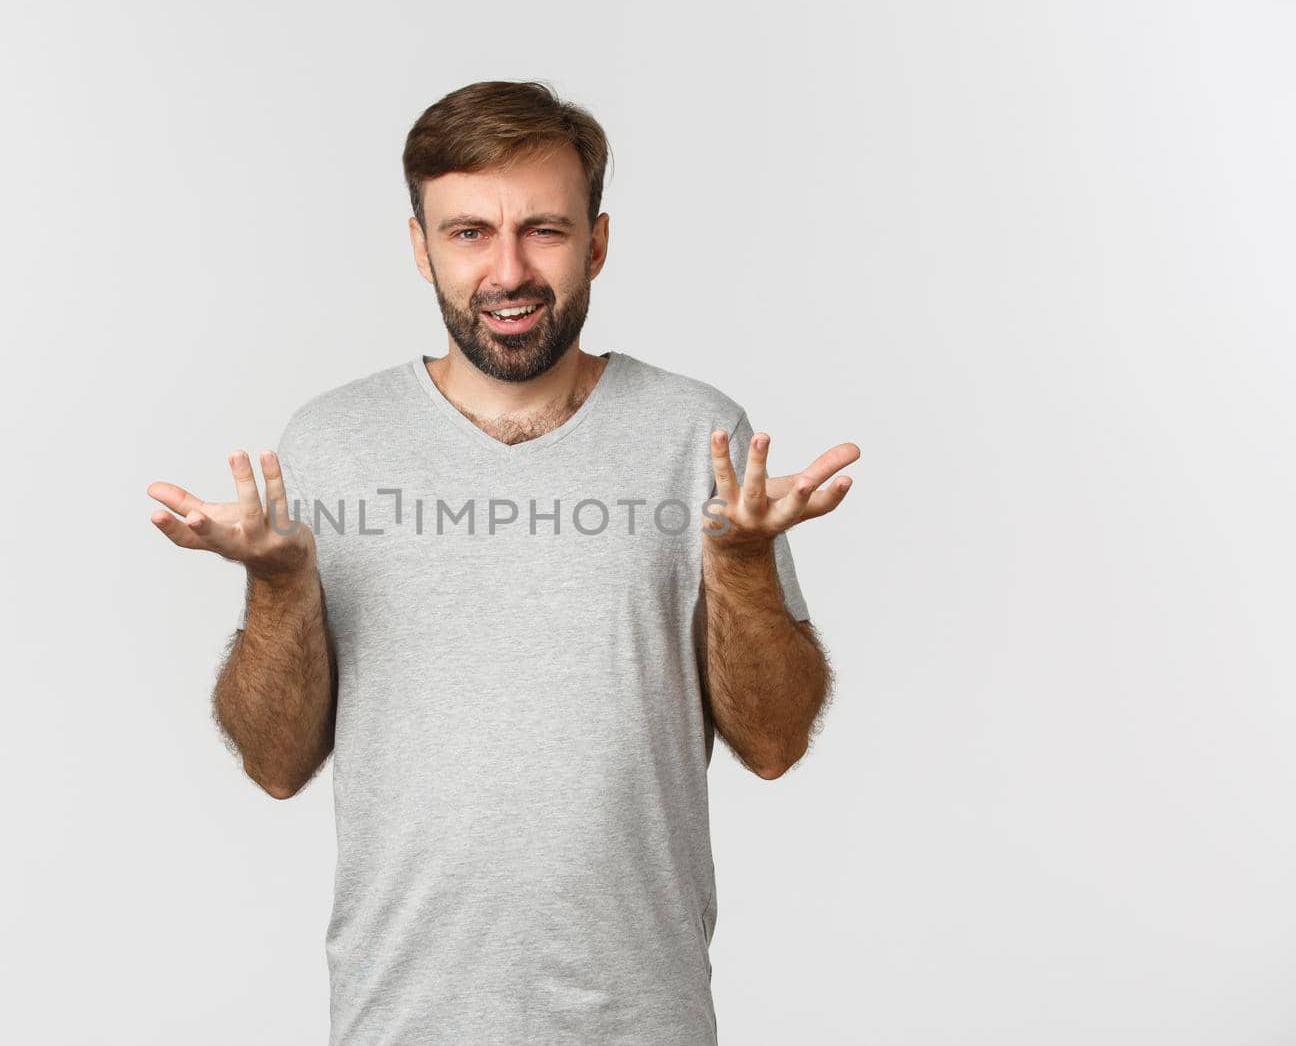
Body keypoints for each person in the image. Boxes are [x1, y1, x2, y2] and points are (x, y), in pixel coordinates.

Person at [147, 80, 859, 1045]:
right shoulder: (329, 443)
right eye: (470, 232)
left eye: (545, 231)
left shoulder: (699, 436)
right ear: (421, 247)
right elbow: (277, 765)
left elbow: (774, 744)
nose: (509, 269)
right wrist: (278, 587)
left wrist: (739, 566)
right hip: (402, 1017)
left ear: (598, 243)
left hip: (640, 1019)